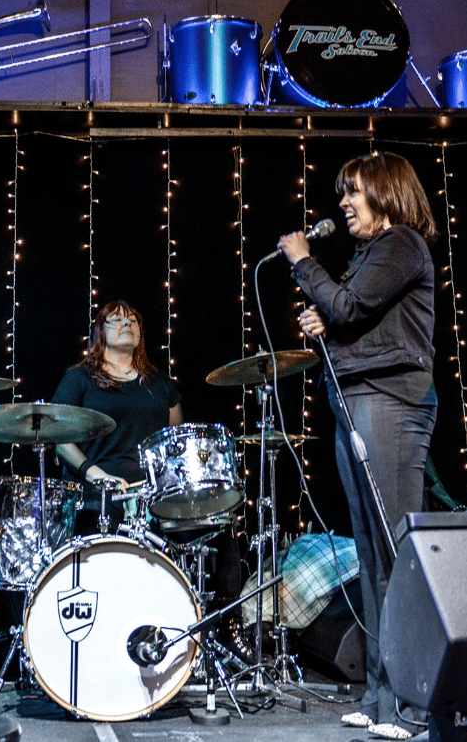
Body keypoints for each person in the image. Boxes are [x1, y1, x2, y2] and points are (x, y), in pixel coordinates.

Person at [278, 152, 437, 741]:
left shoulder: (400, 243)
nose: (343, 203)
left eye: (354, 192)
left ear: (387, 193)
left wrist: (304, 265)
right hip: (361, 399)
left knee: (395, 553)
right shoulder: (371, 255)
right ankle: (379, 695)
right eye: (342, 193)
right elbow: (351, 315)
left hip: (391, 401)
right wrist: (327, 319)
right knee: (371, 556)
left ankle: (413, 704)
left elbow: (349, 306)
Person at [50, 299, 253, 662]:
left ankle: (226, 623)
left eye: (133, 320)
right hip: (100, 492)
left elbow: (175, 443)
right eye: (115, 320)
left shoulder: (160, 383)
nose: (126, 324)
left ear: (141, 334)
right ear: (100, 332)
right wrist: (93, 474)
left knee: (221, 525)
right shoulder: (79, 378)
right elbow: (59, 437)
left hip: (154, 494)